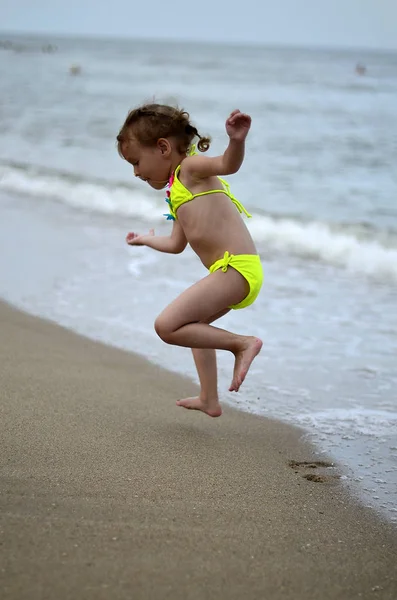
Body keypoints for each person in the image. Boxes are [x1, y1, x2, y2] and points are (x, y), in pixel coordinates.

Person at [117, 103, 263, 417]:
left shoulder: (191, 170)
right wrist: (145, 239)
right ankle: (209, 399)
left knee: (167, 326)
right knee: (194, 327)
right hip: (234, 271)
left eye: (136, 162)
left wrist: (236, 141)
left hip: (234, 268)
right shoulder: (177, 191)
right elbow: (175, 244)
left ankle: (242, 344)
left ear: (163, 147)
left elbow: (227, 164)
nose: (136, 172)